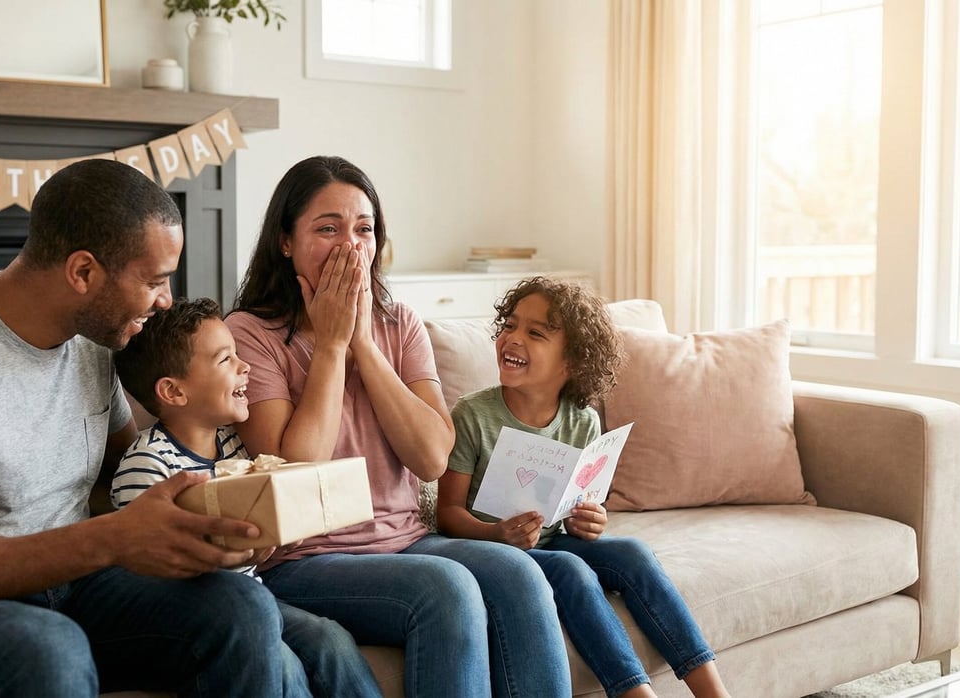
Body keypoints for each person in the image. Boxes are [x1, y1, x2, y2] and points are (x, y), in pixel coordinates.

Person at [0, 159, 311, 698]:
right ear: (83, 272)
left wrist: (228, 521)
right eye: (155, 281)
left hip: (65, 591)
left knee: (238, 605)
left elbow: (133, 470)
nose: (164, 301)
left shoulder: (94, 344)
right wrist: (108, 539)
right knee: (47, 648)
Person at [226, 155, 572, 697]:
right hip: (306, 559)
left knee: (521, 573)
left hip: (405, 540)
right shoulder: (250, 333)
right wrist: (334, 344)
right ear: (285, 241)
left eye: (364, 229)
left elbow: (432, 457)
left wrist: (363, 341)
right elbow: (292, 473)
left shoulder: (399, 323)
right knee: (447, 589)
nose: (350, 246)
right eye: (327, 228)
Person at [436, 276, 732, 698]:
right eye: (511, 325)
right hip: (495, 553)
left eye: (535, 333)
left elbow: (580, 501)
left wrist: (589, 519)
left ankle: (713, 691)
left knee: (632, 552)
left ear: (571, 363)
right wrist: (497, 533)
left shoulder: (583, 421)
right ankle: (635, 693)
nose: (513, 338)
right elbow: (446, 514)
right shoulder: (472, 415)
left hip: (554, 540)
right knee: (572, 570)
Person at [109, 296, 382, 697]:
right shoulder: (147, 464)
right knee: (285, 664)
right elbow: (149, 577)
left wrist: (277, 535)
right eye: (225, 360)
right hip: (198, 613)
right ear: (173, 391)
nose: (245, 366)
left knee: (331, 639)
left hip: (254, 595)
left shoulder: (236, 445)